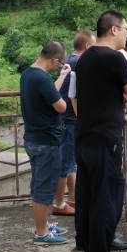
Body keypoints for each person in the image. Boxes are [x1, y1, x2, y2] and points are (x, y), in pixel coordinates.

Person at [74, 10, 127, 252]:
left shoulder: (86, 57)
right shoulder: (114, 58)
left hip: (86, 137)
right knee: (107, 200)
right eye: (125, 29)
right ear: (114, 30)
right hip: (105, 139)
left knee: (89, 198)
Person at [20, 40, 73, 244]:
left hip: (34, 138)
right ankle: (41, 233)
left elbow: (50, 92)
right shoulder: (41, 78)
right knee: (43, 189)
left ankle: (44, 225)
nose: (57, 68)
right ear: (54, 60)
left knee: (39, 184)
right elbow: (60, 106)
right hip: (46, 141)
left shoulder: (28, 74)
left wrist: (62, 76)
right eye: (59, 65)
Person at [53, 29, 95, 216]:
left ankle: (72, 200)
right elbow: (77, 95)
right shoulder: (78, 63)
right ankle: (59, 203)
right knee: (66, 162)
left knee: (71, 162)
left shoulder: (71, 61)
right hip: (70, 119)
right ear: (87, 45)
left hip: (67, 118)